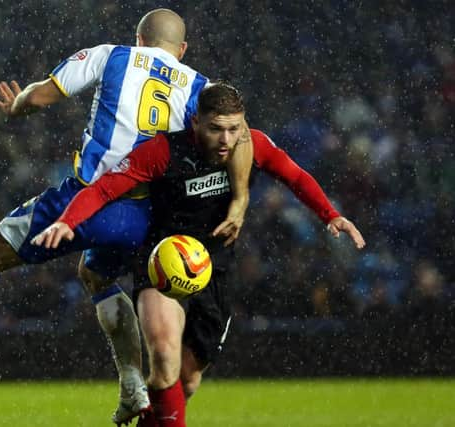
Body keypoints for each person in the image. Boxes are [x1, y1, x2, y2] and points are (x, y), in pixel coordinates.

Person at [0, 9, 253, 426]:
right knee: (96, 275)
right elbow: (243, 140)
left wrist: (17, 106)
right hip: (149, 216)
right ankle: (132, 388)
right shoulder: (201, 87)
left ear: (139, 39)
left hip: (91, 198)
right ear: (182, 50)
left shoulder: (111, 56)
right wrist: (239, 200)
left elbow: (42, 94)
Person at [34, 82, 366, 426]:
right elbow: (104, 188)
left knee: (187, 380)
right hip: (161, 261)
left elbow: (294, 176)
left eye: (233, 129)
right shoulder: (162, 152)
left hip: (215, 268)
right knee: (164, 360)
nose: (225, 139)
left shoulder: (253, 144)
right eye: (216, 129)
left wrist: (331, 214)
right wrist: (68, 221)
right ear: (195, 122)